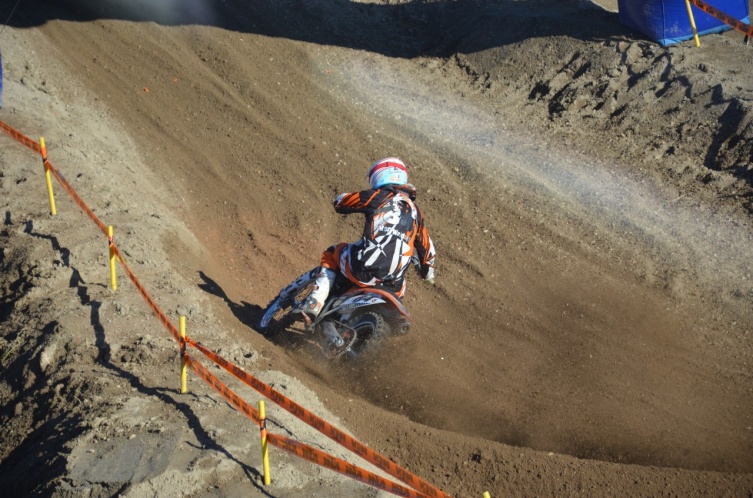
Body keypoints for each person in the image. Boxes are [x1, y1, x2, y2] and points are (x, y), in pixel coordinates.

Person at [294, 157, 436, 319]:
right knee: (401, 285)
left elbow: (341, 203)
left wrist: (339, 198)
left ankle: (315, 301)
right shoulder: (416, 212)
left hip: (363, 269)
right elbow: (428, 251)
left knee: (333, 252)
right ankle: (371, 317)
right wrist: (428, 275)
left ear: (380, 175)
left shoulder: (378, 196)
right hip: (392, 284)